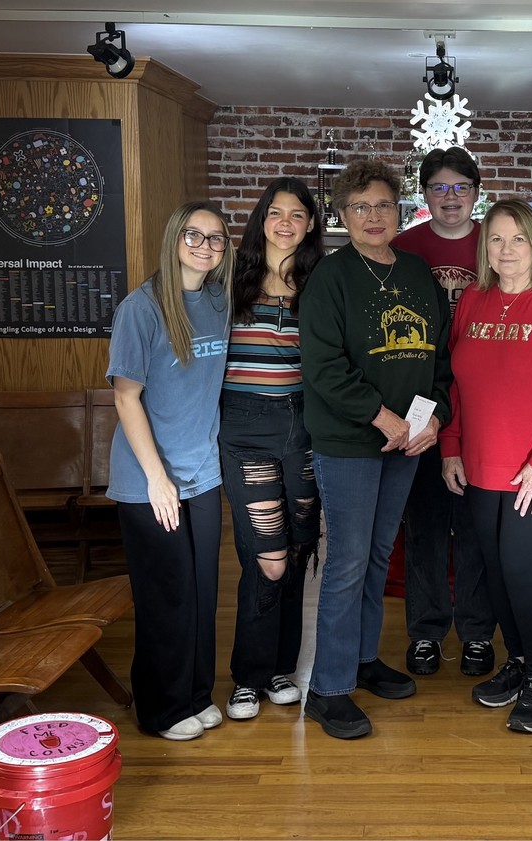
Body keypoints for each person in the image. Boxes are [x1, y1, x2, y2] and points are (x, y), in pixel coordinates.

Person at [298, 159, 452, 740]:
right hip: (350, 443)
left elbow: (438, 358)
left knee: (379, 553)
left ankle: (362, 659)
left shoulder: (416, 272)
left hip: (407, 442)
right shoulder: (331, 277)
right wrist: (381, 416)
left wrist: (434, 415)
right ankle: (328, 688)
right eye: (360, 206)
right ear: (342, 215)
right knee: (347, 561)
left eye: (383, 204)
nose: (372, 216)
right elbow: (324, 367)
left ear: (401, 211)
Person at [440, 199, 532, 734]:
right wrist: (450, 445)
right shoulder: (474, 302)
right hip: (478, 461)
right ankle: (518, 662)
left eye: (518, 239)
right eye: (496, 240)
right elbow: (456, 385)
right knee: (493, 567)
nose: (506, 251)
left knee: (522, 569)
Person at [106, 200, 234, 741]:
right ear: (173, 239)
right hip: (149, 482)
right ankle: (160, 708)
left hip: (203, 473)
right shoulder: (142, 307)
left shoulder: (218, 301)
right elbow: (126, 396)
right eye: (193, 236)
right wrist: (158, 478)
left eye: (215, 239)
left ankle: (196, 694)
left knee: (203, 592)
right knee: (168, 595)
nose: (205, 246)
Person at [220, 177, 324, 721]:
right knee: (269, 555)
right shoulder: (229, 277)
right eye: (276, 213)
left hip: (305, 424)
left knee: (302, 547)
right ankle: (248, 676)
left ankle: (283, 668)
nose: (286, 222)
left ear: (310, 224)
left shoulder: (320, 280)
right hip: (244, 425)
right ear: (262, 220)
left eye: (298, 214)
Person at [393, 147, 494, 677]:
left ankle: (477, 631)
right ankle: (427, 631)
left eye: (461, 187)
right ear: (424, 194)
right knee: (427, 522)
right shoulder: (405, 246)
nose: (450, 197)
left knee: (477, 524)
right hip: (421, 395)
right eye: (439, 188)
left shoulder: (494, 245)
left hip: (485, 399)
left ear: (476, 192)